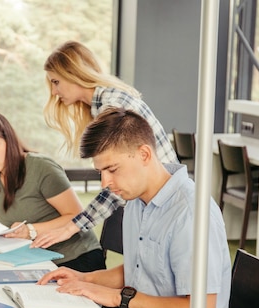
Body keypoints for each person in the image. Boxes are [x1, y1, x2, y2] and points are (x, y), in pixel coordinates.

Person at [37, 108, 234, 308]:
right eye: (100, 171)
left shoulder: (189, 214)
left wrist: (119, 298)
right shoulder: (138, 201)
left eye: (112, 169)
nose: (105, 183)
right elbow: (139, 268)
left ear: (144, 154)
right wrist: (85, 279)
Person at [33, 40, 179, 250]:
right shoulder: (102, 105)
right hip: (152, 204)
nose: (54, 92)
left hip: (165, 206)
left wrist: (71, 227)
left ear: (73, 74)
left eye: (56, 82)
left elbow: (117, 181)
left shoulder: (113, 106)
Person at [0, 109, 105, 272]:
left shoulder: (41, 168)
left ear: (9, 141)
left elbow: (78, 215)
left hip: (76, 258)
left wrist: (31, 230)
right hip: (35, 259)